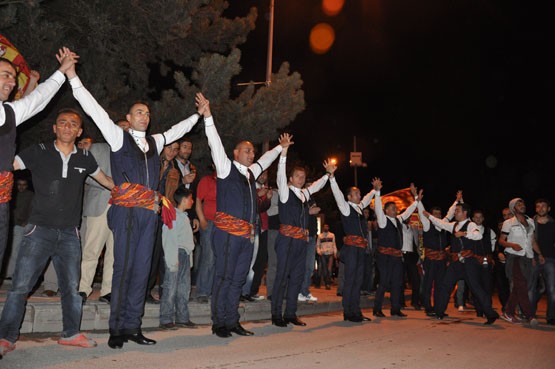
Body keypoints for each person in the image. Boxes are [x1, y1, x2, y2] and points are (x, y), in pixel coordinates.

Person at [66, 60, 202, 349]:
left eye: (147, 113)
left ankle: (133, 326)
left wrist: (199, 115)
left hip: (148, 214)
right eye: (139, 112)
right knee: (123, 268)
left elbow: (178, 129)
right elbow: (94, 109)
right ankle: (116, 329)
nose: (144, 115)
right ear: (129, 117)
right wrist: (72, 77)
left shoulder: (155, 142)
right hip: (125, 211)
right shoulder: (118, 138)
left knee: (141, 270)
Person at [0, 108, 114, 358]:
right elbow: (9, 164)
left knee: (72, 288)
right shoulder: (38, 152)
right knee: (20, 287)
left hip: (70, 234)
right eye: (62, 122)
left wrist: (129, 195)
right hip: (38, 231)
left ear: (79, 131)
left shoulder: (85, 157)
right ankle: (6, 336)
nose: (67, 127)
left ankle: (71, 334)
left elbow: (105, 180)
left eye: (73, 124)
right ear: (55, 128)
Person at [201, 94, 290, 338]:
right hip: (227, 234)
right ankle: (219, 322)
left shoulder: (252, 173)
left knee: (239, 279)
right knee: (224, 276)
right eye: (247, 151)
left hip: (246, 236)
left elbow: (266, 159)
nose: (251, 155)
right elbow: (214, 142)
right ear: (236, 152)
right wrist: (208, 116)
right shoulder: (225, 167)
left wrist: (280, 149)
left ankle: (232, 321)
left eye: (252, 152)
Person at [0, 47, 75, 275]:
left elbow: (39, 98)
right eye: (6, 75)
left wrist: (62, 70)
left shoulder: (10, 112)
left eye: (14, 77)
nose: (12, 82)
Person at [271, 146, 334, 328]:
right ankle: (276, 315)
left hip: (301, 241)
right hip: (286, 239)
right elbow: (280, 176)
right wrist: (283, 153)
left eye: (303, 177)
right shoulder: (284, 191)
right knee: (282, 276)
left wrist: (327, 174)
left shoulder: (304, 195)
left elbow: (316, 186)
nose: (301, 179)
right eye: (297, 176)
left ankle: (290, 313)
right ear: (291, 179)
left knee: (297, 278)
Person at [423, 201, 499, 324]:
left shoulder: (470, 224)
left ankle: (490, 313)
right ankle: (439, 312)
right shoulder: (453, 225)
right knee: (445, 285)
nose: (455, 212)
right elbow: (440, 223)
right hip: (456, 263)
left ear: (464, 213)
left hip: (469, 263)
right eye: (455, 210)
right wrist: (429, 216)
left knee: (476, 288)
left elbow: (478, 235)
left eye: (457, 210)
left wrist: (463, 234)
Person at [329, 174, 378, 322]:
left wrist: (375, 190)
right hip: (350, 249)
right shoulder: (345, 207)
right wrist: (332, 178)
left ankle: (356, 311)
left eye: (359, 193)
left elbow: (368, 198)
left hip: (361, 249)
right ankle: (348, 312)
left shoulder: (360, 208)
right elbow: (337, 194)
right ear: (349, 197)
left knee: (358, 280)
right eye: (356, 193)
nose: (359, 195)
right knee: (350, 280)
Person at [372, 182, 419, 318]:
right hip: (384, 256)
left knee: (398, 282)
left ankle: (395, 309)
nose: (395, 210)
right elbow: (378, 208)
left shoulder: (398, 220)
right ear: (386, 211)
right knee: (384, 281)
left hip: (397, 257)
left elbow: (409, 210)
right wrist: (377, 192)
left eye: (395, 208)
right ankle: (377, 308)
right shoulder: (382, 220)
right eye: (392, 208)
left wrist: (415, 197)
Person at [78, 139, 114, 304]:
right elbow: (83, 175)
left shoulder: (131, 153)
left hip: (122, 209)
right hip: (100, 204)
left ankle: (108, 290)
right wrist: (107, 184)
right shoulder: (97, 148)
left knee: (114, 253)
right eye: (121, 127)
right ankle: (83, 289)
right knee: (91, 250)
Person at [146, 141, 181, 305]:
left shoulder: (175, 170)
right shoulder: (152, 162)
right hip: (149, 210)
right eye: (169, 148)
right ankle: (144, 290)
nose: (172, 152)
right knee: (148, 253)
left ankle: (163, 292)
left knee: (161, 254)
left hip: (165, 215)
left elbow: (175, 194)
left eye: (175, 150)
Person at [159, 186, 198, 330]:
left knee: (184, 288)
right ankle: (166, 318)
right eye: (190, 199)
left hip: (184, 255)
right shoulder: (172, 216)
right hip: (176, 254)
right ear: (184, 200)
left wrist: (190, 260)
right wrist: (171, 259)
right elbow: (169, 239)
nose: (192, 201)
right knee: (170, 287)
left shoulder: (184, 217)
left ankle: (182, 317)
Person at [498, 198, 538, 325]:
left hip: (527, 257)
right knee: (521, 285)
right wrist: (512, 245)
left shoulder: (531, 221)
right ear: (513, 208)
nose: (522, 205)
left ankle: (508, 312)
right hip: (514, 257)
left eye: (523, 203)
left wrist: (538, 255)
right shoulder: (508, 223)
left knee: (518, 286)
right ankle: (530, 315)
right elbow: (501, 241)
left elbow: (532, 241)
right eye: (518, 204)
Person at [416, 197, 458, 317]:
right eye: (435, 214)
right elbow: (422, 212)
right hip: (430, 260)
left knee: (440, 284)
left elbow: (450, 214)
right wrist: (417, 200)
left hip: (441, 260)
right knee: (428, 285)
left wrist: (456, 201)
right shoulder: (427, 225)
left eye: (439, 214)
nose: (438, 216)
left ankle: (439, 308)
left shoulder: (443, 225)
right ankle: (428, 308)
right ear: (430, 215)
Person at [194, 165, 217, 303]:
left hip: (223, 224)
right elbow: (198, 200)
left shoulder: (225, 180)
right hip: (209, 222)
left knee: (218, 258)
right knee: (208, 257)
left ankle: (212, 289)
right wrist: (201, 218)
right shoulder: (207, 180)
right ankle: (202, 291)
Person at [530, 198, 555, 325]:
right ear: (535, 209)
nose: (540, 208)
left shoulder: (553, 224)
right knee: (531, 288)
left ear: (548, 209)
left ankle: (551, 317)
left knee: (552, 289)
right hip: (533, 258)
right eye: (538, 206)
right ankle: (530, 314)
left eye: (543, 206)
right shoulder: (530, 223)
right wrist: (531, 257)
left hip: (550, 259)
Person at [4, 178, 33, 279]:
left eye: (24, 184)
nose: (21, 187)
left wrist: (27, 222)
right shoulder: (12, 193)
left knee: (16, 250)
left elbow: (32, 209)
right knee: (10, 250)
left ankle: (11, 273)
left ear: (27, 185)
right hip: (9, 226)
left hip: (20, 226)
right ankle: (10, 273)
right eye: (19, 184)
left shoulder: (30, 195)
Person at [470, 209, 496, 318]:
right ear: (472, 219)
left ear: (483, 218)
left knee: (487, 285)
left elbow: (493, 243)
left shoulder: (489, 231)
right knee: (476, 286)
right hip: (473, 261)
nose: (478, 219)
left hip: (485, 261)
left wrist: (488, 255)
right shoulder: (469, 231)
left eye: (480, 217)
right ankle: (479, 310)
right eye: (476, 217)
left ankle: (487, 309)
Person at [298, 197, 321, 302]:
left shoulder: (312, 200)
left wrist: (315, 235)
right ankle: (298, 291)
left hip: (312, 236)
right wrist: (308, 211)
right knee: (301, 266)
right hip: (303, 236)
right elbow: (297, 213)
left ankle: (305, 291)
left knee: (310, 267)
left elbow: (314, 216)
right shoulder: (299, 198)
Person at [315, 224, 337, 290]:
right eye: (324, 226)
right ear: (323, 227)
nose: (326, 227)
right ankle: (326, 283)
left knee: (329, 269)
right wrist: (319, 252)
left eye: (327, 226)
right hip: (323, 254)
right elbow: (317, 245)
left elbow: (334, 244)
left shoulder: (332, 235)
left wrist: (335, 253)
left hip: (330, 253)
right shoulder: (320, 236)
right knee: (324, 269)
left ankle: (328, 283)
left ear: (328, 227)